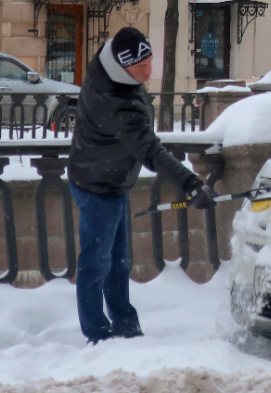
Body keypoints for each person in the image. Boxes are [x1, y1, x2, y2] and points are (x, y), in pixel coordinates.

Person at [67, 27, 218, 344]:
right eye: (140, 67)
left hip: (109, 179)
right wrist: (190, 183)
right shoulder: (116, 104)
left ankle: (124, 324)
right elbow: (151, 151)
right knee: (97, 264)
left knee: (118, 262)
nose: (148, 71)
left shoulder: (108, 63)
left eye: (149, 61)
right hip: (97, 187)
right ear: (121, 68)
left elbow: (124, 39)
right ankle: (98, 334)